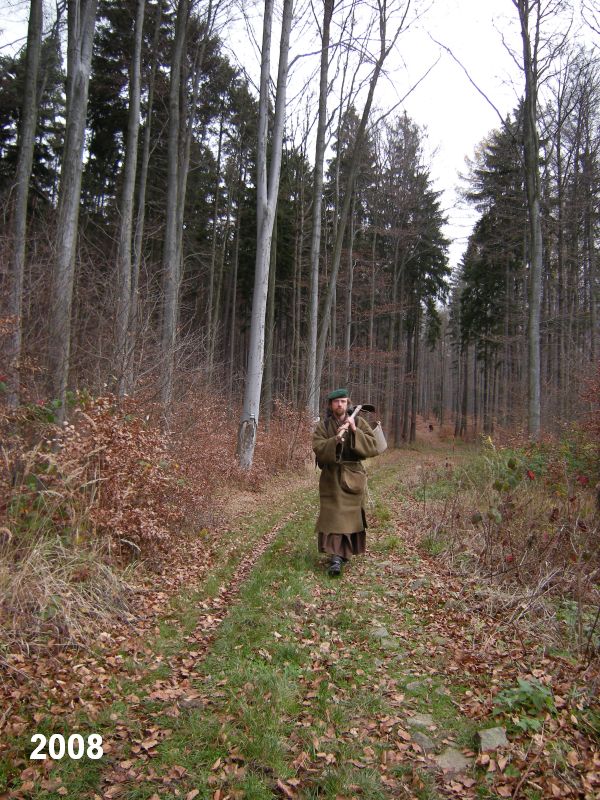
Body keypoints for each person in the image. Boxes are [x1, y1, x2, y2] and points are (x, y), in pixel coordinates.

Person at [312, 388, 379, 576]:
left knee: (349, 519)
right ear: (330, 405)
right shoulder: (323, 426)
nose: (339, 405)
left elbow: (373, 446)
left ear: (347, 403)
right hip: (331, 478)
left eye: (342, 401)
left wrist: (354, 430)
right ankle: (335, 557)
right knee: (333, 517)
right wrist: (336, 440)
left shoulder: (358, 421)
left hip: (353, 476)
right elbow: (318, 447)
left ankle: (342, 555)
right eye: (336, 402)